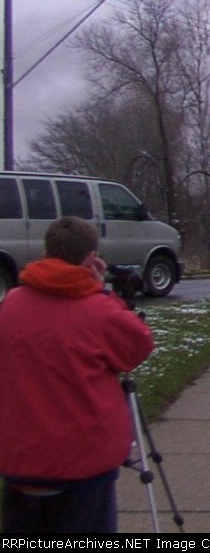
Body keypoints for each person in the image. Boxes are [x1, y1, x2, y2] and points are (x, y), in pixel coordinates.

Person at [0, 216, 154, 534]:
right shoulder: (98, 311)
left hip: (21, 461)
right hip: (83, 465)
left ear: (47, 253)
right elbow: (137, 346)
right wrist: (102, 291)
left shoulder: (10, 305)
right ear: (90, 257)